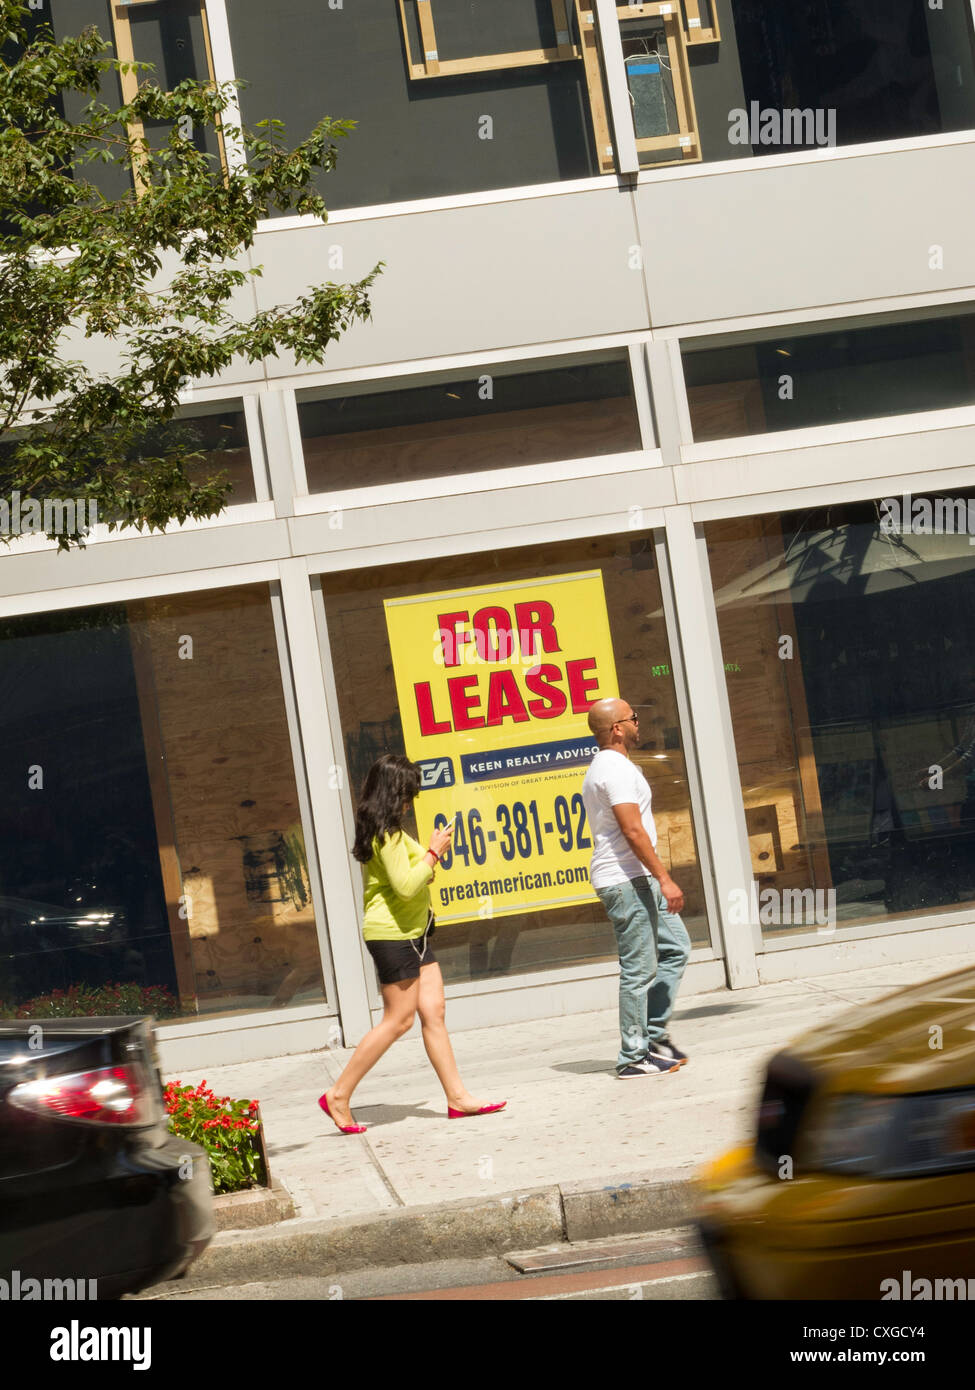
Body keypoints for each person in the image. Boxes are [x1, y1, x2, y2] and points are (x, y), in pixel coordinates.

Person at [319, 753, 506, 1133]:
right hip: (392, 935)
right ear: (394, 792)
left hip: (416, 934)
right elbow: (405, 887)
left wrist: (428, 864)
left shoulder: (392, 830)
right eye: (408, 793)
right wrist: (434, 852)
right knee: (398, 1020)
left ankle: (457, 1098)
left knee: (433, 1011)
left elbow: (413, 876)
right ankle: (338, 1094)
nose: (411, 801)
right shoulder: (385, 833)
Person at [581, 697, 691, 1079]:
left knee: (675, 948)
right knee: (638, 970)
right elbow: (631, 830)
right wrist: (664, 877)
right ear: (616, 728)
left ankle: (653, 1037)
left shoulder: (616, 766)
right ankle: (633, 1056)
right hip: (625, 880)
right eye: (633, 718)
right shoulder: (612, 769)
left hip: (635, 877)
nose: (639, 723)